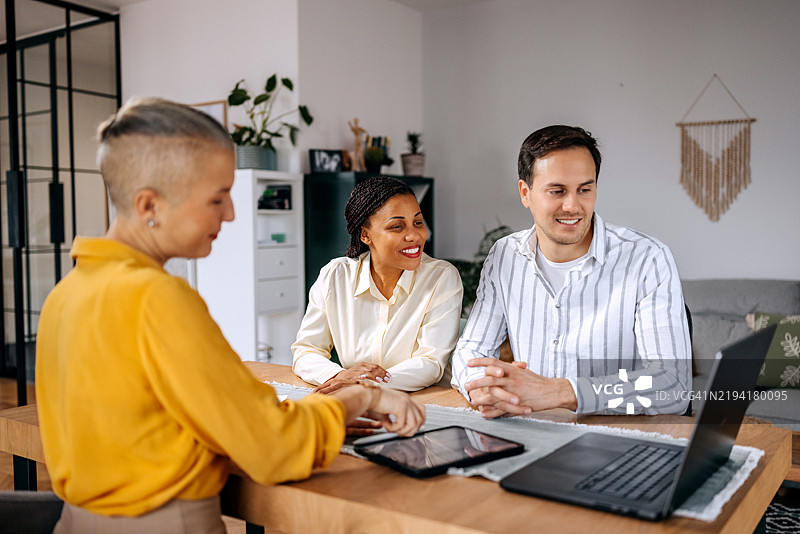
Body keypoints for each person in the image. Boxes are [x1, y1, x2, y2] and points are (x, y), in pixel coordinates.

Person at [35, 98, 425, 533]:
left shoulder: (66, 293)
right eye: (217, 198)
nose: (232, 213)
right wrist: (362, 399)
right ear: (149, 206)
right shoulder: (156, 298)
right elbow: (273, 450)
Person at [451, 125, 691, 418]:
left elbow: (673, 386)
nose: (573, 206)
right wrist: (484, 390)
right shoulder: (505, 255)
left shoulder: (647, 259)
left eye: (585, 190)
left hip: (616, 439)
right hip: (530, 432)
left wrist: (560, 392)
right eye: (557, 191)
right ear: (525, 193)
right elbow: (471, 351)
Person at [292, 176, 463, 394]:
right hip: (356, 401)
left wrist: (364, 384)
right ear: (365, 235)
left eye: (418, 222)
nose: (414, 235)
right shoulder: (335, 276)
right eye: (397, 226)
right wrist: (338, 377)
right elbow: (306, 350)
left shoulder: (441, 277)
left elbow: (430, 362)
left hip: (424, 404)